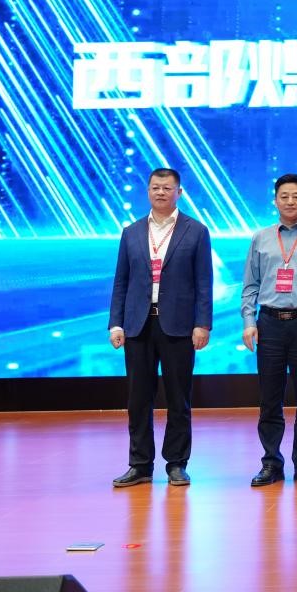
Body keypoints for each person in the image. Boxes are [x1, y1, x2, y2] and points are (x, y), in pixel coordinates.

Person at [108, 167, 212, 488]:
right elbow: (121, 282)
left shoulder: (196, 231)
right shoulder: (131, 232)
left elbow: (204, 283)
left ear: (179, 192)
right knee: (138, 399)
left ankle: (177, 464)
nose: (161, 192)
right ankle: (139, 464)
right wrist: (116, 323)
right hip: (138, 325)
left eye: (167, 188)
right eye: (155, 187)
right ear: (148, 191)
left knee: (178, 398)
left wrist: (202, 323)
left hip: (178, 326)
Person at [241, 174, 297, 488]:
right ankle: (271, 462)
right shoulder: (261, 238)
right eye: (284, 196)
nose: (290, 201)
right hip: (270, 323)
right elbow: (250, 284)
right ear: (275, 200)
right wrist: (249, 322)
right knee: (269, 398)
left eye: (296, 196)